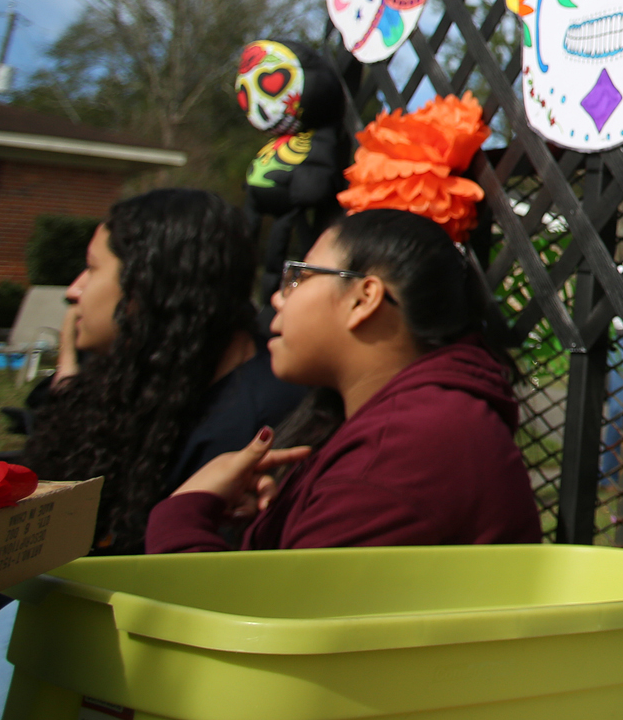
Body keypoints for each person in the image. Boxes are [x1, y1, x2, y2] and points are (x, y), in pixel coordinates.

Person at [145, 209, 542, 552]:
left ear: (363, 298)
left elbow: (261, 627)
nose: (278, 299)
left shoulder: (406, 446)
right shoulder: (406, 425)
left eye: (299, 276)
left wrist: (183, 511)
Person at [21, 189, 306, 556]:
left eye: (91, 269)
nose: (74, 291)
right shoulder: (152, 377)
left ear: (147, 287)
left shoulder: (258, 418)